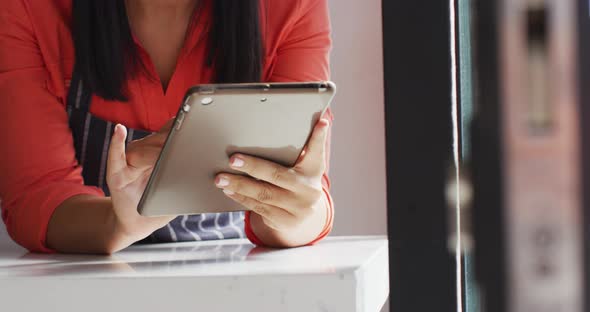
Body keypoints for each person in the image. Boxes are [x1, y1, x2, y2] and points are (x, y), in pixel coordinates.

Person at [0, 0, 334, 254]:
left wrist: (295, 210)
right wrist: (116, 223)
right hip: (80, 289)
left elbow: (307, 194)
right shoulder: (30, 9)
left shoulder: (290, 7)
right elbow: (34, 196)